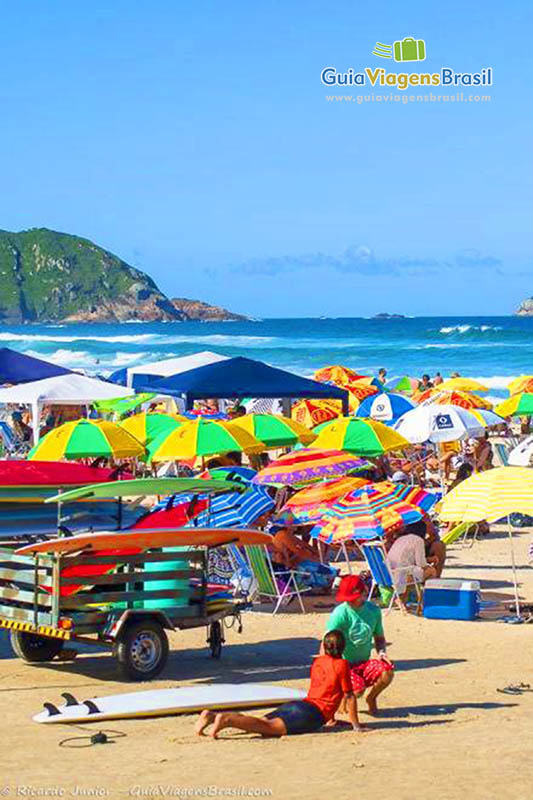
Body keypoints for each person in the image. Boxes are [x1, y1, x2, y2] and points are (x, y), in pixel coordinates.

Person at [195, 629, 363, 738]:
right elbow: (348, 696)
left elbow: (327, 689)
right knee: (269, 728)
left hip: (301, 704)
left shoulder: (318, 662)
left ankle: (211, 716)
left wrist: (331, 720)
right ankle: (225, 719)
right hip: (311, 714)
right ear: (342, 647)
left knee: (260, 723)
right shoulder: (342, 665)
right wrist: (356, 725)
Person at [325, 575, 394, 716]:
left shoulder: (373, 611)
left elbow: (379, 638)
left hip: (363, 662)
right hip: (343, 666)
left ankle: (372, 698)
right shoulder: (340, 613)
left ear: (364, 593)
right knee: (357, 690)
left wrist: (382, 653)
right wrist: (326, 667)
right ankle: (343, 698)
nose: (350, 602)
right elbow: (327, 641)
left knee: (387, 672)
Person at [387, 520, 438, 598]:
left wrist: (429, 560)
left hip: (388, 574)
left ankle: (404, 599)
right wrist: (431, 562)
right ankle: (426, 599)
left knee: (415, 573)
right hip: (400, 575)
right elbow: (421, 564)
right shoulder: (418, 540)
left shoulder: (400, 539)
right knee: (431, 571)